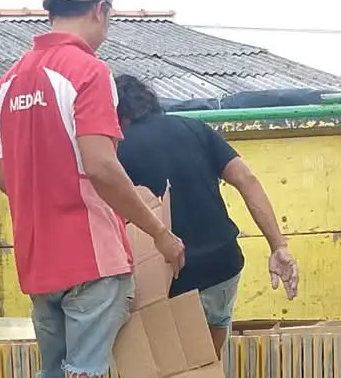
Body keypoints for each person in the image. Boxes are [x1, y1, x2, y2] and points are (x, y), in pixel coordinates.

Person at [0, 0, 185, 378]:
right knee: (85, 376)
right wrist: (159, 232)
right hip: (90, 254)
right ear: (99, 10)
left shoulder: (8, 82)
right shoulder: (87, 71)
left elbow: (2, 177)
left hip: (37, 257)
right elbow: (101, 165)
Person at [115, 75, 299, 356]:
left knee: (169, 374)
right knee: (205, 365)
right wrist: (278, 246)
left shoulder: (116, 151)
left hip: (168, 275)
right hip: (221, 267)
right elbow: (246, 179)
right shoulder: (195, 128)